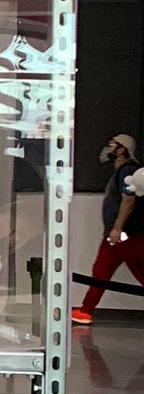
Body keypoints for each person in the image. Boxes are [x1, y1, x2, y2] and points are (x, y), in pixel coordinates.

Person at [74, 133, 144, 322]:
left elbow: (128, 200)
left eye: (112, 144)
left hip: (126, 235)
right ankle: (86, 310)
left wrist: (117, 228)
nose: (108, 148)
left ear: (121, 149)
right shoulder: (123, 171)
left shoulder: (127, 171)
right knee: (102, 271)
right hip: (122, 235)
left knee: (112, 270)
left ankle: (86, 310)